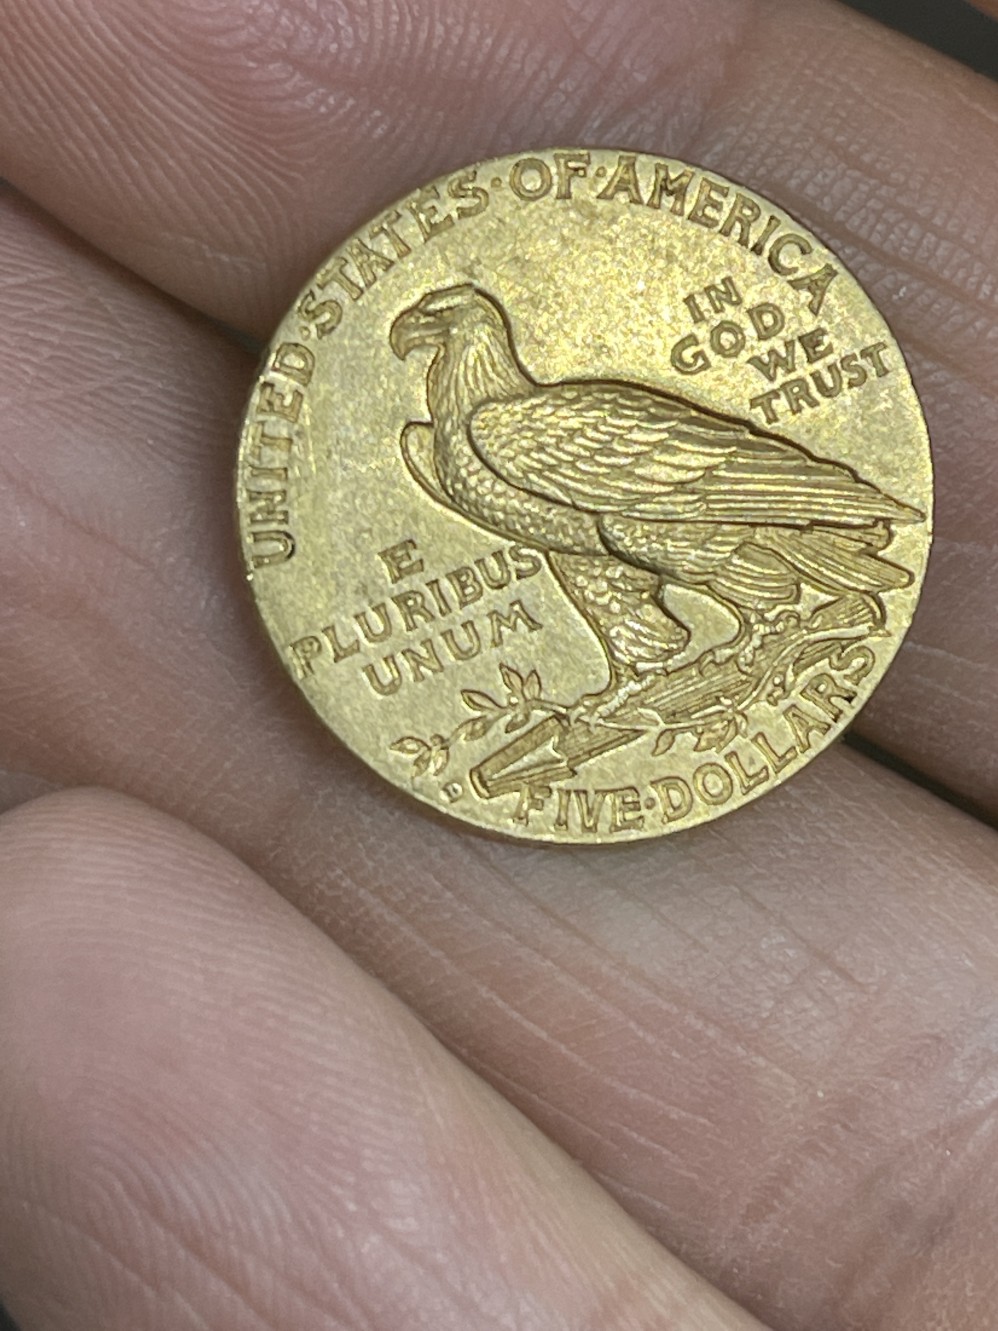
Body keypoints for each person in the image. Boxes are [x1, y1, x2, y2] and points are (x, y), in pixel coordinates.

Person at [0, 1, 996, 1327]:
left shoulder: (529, 423)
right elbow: (593, 553)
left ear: (476, 334)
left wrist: (821, 527)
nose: (420, 350)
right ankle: (669, 660)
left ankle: (764, 625)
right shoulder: (447, 453)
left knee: (656, 536)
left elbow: (691, 485)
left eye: (439, 331)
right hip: (643, 581)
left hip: (740, 522)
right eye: (416, 337)